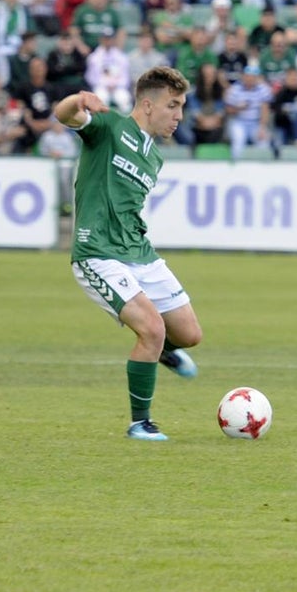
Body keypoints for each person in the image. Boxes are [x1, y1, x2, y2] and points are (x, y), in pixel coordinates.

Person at [55, 66, 201, 442]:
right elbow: (63, 114)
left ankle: (161, 351)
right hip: (97, 251)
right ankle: (140, 423)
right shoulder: (109, 127)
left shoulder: (155, 157)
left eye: (182, 106)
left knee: (189, 334)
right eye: (173, 105)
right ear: (148, 105)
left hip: (137, 250)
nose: (179, 115)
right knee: (151, 329)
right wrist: (79, 99)